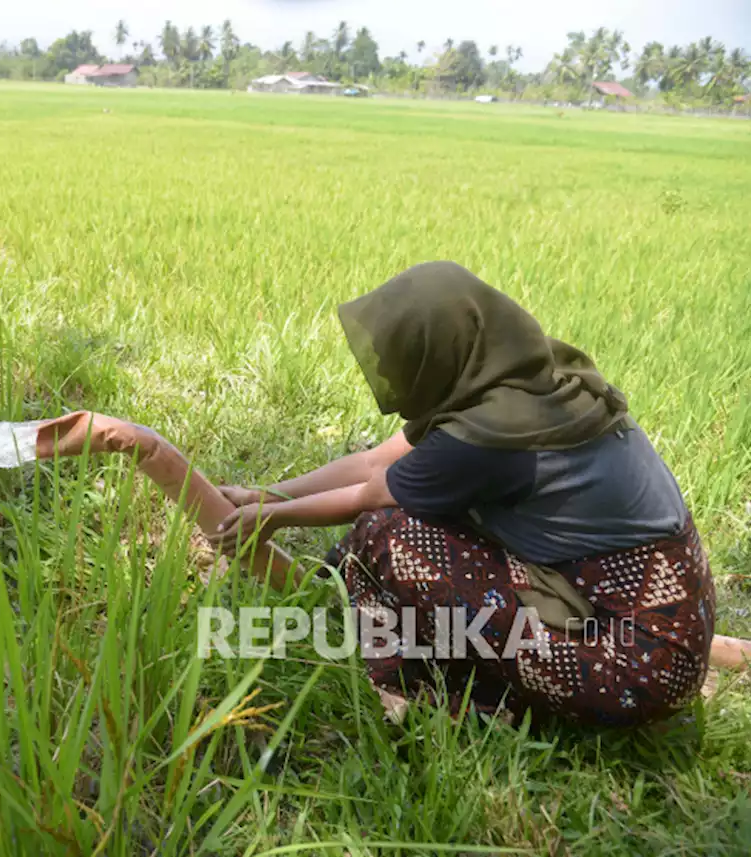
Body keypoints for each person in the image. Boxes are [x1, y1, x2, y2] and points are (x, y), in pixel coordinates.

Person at [209, 261, 714, 726]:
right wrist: (267, 495)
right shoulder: (522, 380)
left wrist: (274, 518)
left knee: (390, 536)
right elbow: (373, 461)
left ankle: (427, 687)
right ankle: (347, 604)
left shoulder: (492, 437)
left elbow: (369, 494)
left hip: (635, 663)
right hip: (667, 624)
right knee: (415, 519)